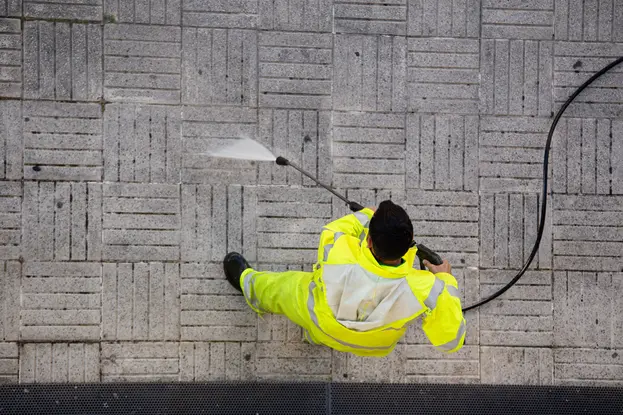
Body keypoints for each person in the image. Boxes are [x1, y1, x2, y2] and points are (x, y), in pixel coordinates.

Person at [223, 200, 465, 357]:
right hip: (372, 346)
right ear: (408, 242)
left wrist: (366, 216)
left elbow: (338, 228)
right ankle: (315, 338)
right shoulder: (429, 289)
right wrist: (446, 281)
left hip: (322, 319)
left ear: (369, 241)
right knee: (322, 332)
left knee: (282, 287)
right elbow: (451, 341)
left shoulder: (338, 249)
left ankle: (248, 285)